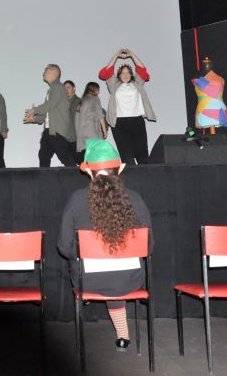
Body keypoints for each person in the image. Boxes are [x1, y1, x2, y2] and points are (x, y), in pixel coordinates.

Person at [58, 139, 152, 352]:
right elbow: (149, 246)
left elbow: (64, 247)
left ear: (87, 171)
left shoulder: (76, 200)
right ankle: (123, 335)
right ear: (120, 169)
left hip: (88, 281)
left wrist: (87, 255)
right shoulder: (135, 199)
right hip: (130, 280)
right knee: (116, 279)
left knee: (106, 276)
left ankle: (120, 332)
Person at [98, 48, 156, 164]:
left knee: (142, 156)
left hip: (137, 121)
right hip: (119, 124)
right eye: (123, 73)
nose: (125, 75)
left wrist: (131, 54)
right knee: (127, 157)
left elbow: (142, 70)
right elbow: (105, 72)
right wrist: (117, 54)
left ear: (131, 74)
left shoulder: (137, 83)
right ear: (119, 75)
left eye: (128, 72)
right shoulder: (114, 84)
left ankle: (145, 175)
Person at [24, 64, 76, 167]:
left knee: (64, 156)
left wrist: (35, 110)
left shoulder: (57, 86)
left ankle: (77, 174)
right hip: (49, 131)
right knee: (44, 155)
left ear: (54, 72)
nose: (43, 73)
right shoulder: (52, 89)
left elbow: (52, 103)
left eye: (46, 70)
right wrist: (34, 119)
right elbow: (46, 112)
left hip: (56, 131)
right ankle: (44, 176)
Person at [74, 82, 108, 163]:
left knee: (86, 156)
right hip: (92, 131)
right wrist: (104, 131)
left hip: (82, 133)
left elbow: (77, 120)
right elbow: (100, 115)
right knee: (96, 155)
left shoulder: (81, 101)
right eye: (98, 89)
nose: (98, 92)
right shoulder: (95, 98)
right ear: (94, 89)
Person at [64, 80, 81, 155]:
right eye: (64, 89)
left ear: (74, 89)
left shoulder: (79, 101)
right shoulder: (62, 104)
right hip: (66, 139)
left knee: (79, 159)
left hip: (77, 138)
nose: (66, 90)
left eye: (68, 87)